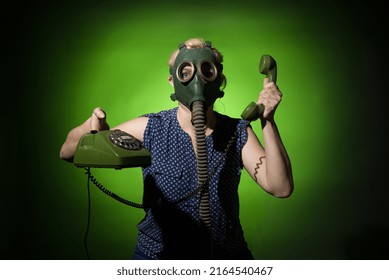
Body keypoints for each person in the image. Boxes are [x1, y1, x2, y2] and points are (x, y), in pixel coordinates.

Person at [59, 38, 294, 260]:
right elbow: (68, 152)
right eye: (185, 72)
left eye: (206, 71)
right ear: (172, 80)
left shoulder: (237, 131)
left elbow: (280, 187)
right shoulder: (150, 127)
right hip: (159, 257)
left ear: (219, 79)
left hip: (224, 256)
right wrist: (89, 128)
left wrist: (268, 121)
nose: (196, 81)